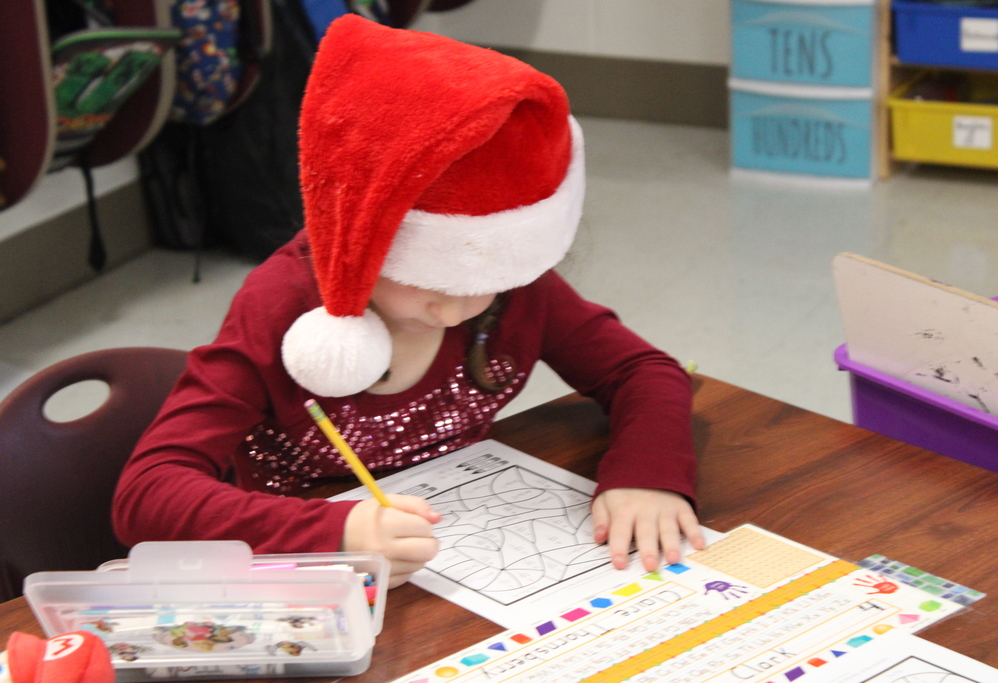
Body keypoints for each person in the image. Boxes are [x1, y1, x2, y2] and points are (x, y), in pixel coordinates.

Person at [113, 14, 704, 587]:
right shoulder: (278, 303)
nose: (454, 312)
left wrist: (647, 473)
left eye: (483, 283)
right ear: (359, 239)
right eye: (434, 281)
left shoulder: (519, 289)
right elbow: (147, 495)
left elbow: (643, 371)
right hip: (315, 569)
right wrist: (334, 529)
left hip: (462, 545)